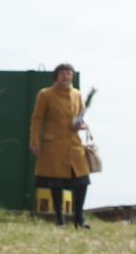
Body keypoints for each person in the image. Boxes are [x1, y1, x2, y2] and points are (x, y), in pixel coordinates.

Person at [30, 63, 91, 228]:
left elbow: (80, 117)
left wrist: (81, 125)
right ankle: (60, 219)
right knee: (55, 183)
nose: (67, 76)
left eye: (70, 73)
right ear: (56, 76)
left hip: (74, 144)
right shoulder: (45, 94)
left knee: (83, 181)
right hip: (54, 145)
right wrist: (35, 141)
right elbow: (37, 119)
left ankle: (79, 218)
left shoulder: (77, 94)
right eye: (63, 73)